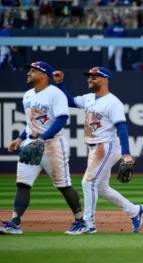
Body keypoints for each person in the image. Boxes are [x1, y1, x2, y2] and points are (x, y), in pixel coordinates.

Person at [53, 67, 143, 234]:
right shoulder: (89, 98)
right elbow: (70, 102)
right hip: (95, 147)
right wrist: (60, 84)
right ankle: (135, 211)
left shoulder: (112, 102)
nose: (89, 79)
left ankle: (88, 223)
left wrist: (126, 153)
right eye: (89, 76)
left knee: (88, 182)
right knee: (102, 188)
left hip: (107, 146)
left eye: (94, 77)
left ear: (105, 80)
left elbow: (122, 127)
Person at [0, 61, 86, 235]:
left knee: (63, 185)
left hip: (52, 144)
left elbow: (62, 119)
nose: (28, 73)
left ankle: (80, 221)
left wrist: (42, 138)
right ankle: (15, 224)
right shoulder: (27, 95)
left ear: (44, 75)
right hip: (30, 143)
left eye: (33, 71)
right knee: (22, 184)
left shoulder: (55, 94)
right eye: (29, 71)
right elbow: (32, 122)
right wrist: (20, 138)